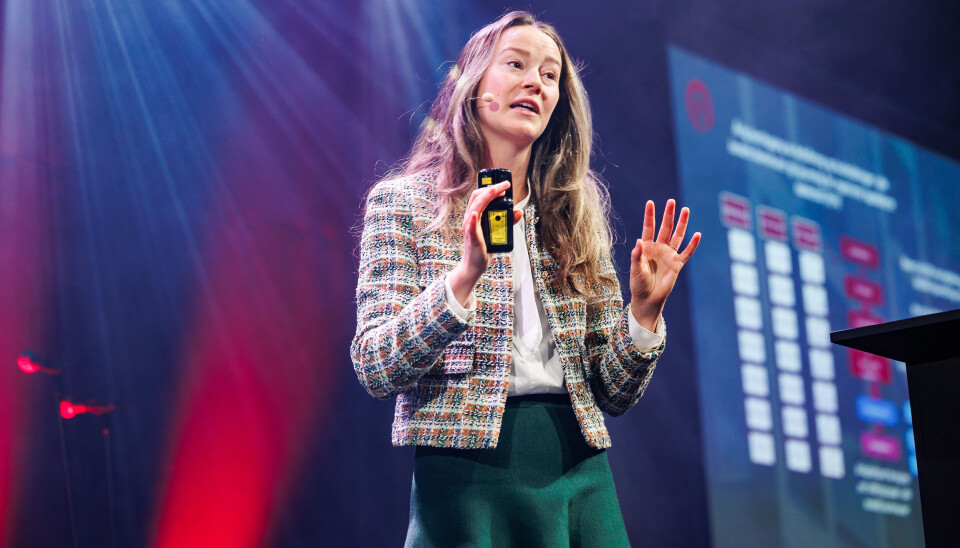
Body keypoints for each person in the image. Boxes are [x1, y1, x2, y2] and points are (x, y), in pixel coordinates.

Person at [351, 10, 700, 547]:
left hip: (577, 471)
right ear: (472, 86)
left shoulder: (575, 214)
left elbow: (614, 391)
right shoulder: (403, 205)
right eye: (515, 64)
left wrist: (643, 315)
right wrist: (462, 279)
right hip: (467, 476)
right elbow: (377, 366)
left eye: (550, 74)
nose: (535, 82)